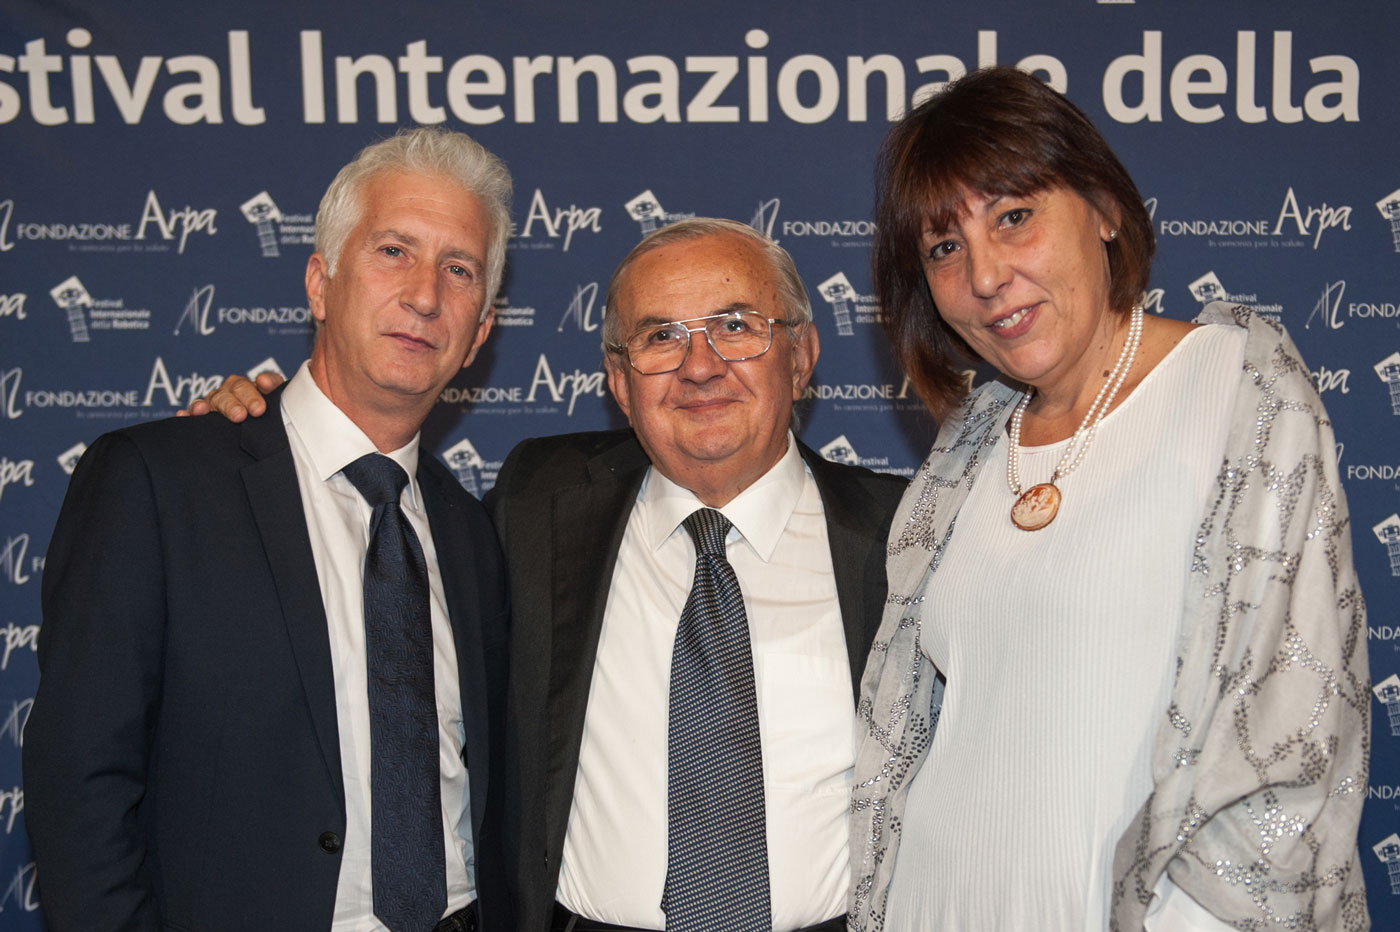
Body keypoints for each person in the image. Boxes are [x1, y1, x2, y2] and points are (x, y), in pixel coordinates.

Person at [197, 218, 907, 932]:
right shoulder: (538, 502)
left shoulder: (903, 538)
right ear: (619, 383)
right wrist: (270, 429)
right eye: (660, 336)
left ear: (801, 355)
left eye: (735, 326)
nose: (700, 366)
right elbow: (365, 553)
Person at [849, 67, 1370, 932]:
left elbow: (1294, 727)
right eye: (943, 248)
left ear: (1103, 207)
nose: (985, 274)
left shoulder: (1236, 385)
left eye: (1013, 217)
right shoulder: (965, 451)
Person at [24, 127, 514, 932]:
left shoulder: (473, 533)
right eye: (394, 251)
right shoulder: (158, 483)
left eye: (458, 269)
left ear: (480, 332)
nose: (425, 295)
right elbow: (80, 784)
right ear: (320, 284)